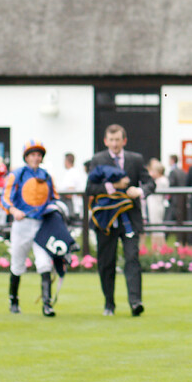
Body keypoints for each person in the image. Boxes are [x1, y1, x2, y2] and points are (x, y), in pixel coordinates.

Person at [86, 124, 155, 317]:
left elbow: (150, 183)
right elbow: (90, 188)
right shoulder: (98, 159)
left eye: (118, 140)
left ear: (124, 141)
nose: (115, 144)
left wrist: (140, 191)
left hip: (129, 218)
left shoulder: (135, 159)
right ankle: (109, 303)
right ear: (106, 141)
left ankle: (135, 302)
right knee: (106, 262)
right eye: (111, 140)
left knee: (132, 258)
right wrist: (112, 186)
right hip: (106, 220)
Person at [2, 140, 61, 316]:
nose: (36, 158)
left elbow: (55, 198)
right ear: (26, 157)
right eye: (32, 155)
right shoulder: (17, 175)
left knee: (44, 263)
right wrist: (14, 210)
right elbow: (6, 198)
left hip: (42, 224)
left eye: (38, 155)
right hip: (22, 224)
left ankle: (47, 304)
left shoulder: (47, 176)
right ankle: (13, 300)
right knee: (18, 264)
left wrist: (56, 211)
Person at [145, 158, 169, 251]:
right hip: (154, 205)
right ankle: (157, 247)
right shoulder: (160, 180)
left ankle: (159, 247)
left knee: (157, 226)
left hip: (156, 205)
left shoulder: (161, 181)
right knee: (155, 226)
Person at [56, 152, 87, 222]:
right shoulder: (73, 172)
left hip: (72, 209)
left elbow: (69, 193)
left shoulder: (71, 173)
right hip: (72, 208)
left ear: (66, 161)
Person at [164, 154, 188, 223]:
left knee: (171, 216)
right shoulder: (182, 171)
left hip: (174, 198)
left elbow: (171, 184)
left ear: (172, 160)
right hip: (182, 198)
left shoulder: (172, 172)